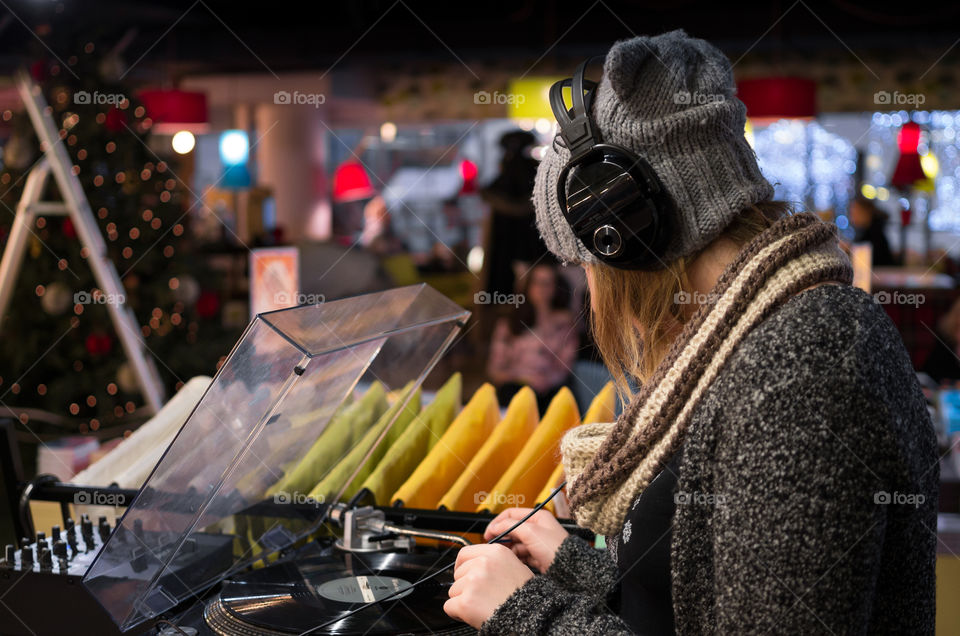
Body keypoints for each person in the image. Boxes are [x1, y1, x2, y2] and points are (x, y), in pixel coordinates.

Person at [444, 30, 937, 634]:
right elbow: (709, 600)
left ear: (627, 241)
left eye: (587, 265)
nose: (591, 292)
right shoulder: (767, 336)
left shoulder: (801, 367)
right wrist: (574, 565)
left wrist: (523, 612)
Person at [485, 263, 577, 413]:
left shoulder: (564, 324)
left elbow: (565, 367)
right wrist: (526, 379)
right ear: (527, 286)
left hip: (549, 390)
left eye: (548, 283)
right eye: (537, 282)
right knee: (515, 397)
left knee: (562, 399)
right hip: (515, 387)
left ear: (555, 287)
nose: (542, 288)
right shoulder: (509, 323)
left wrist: (545, 381)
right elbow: (495, 369)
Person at [850, 193, 896, 266]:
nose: (852, 218)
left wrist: (850, 249)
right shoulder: (867, 231)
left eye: (855, 213)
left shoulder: (875, 234)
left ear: (865, 212)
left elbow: (869, 259)